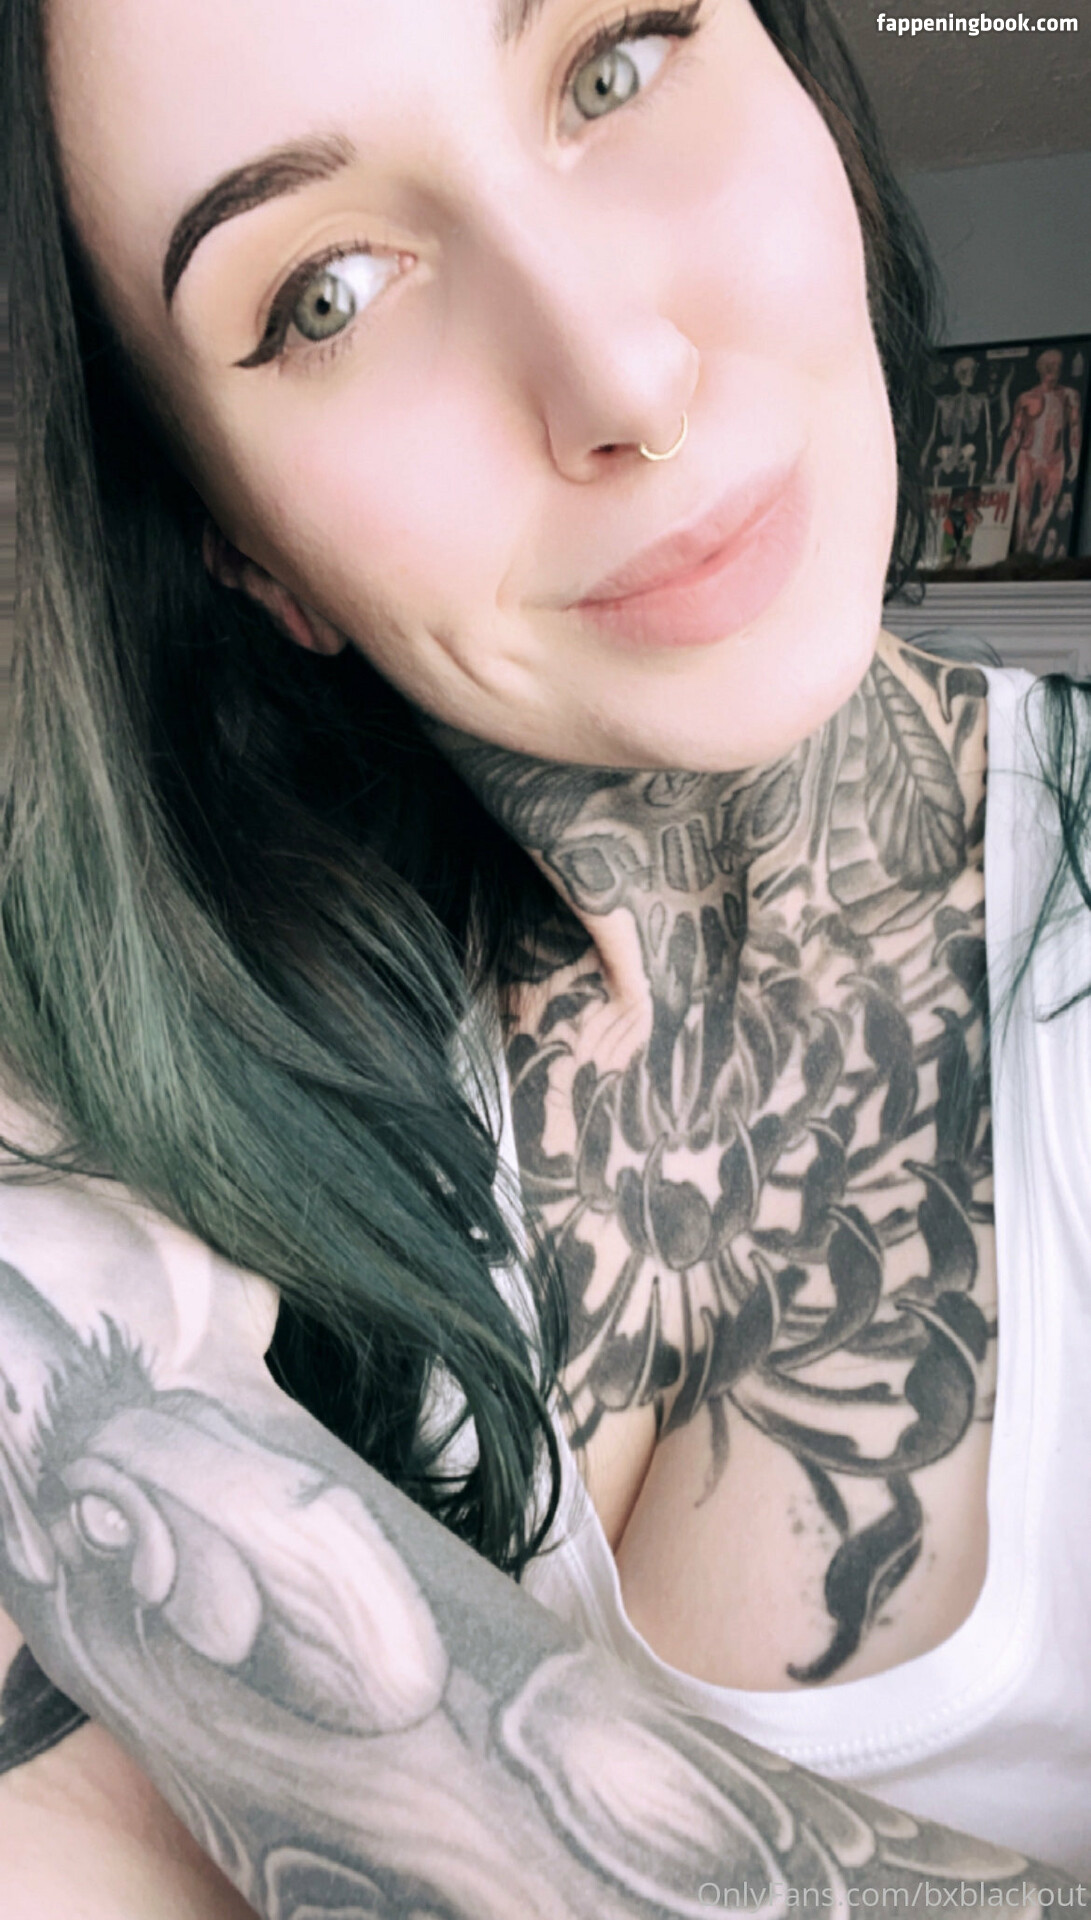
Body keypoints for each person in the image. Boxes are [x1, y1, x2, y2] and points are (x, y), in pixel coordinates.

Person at [0, 0, 1089, 1914]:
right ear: (240, 543)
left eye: (614, 64)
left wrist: (144, 1446)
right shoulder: (201, 1068)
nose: (623, 376)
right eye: (327, 294)